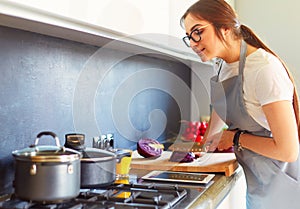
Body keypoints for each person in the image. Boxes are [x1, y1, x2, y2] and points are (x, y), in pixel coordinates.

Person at [181, 0, 300, 208]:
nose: (192, 43)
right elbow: (222, 108)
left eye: (197, 32)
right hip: (259, 190)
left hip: (286, 192)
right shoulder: (221, 66)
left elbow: (288, 151)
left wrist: (234, 137)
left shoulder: (263, 69)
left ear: (225, 28)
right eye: (189, 36)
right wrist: (205, 146)